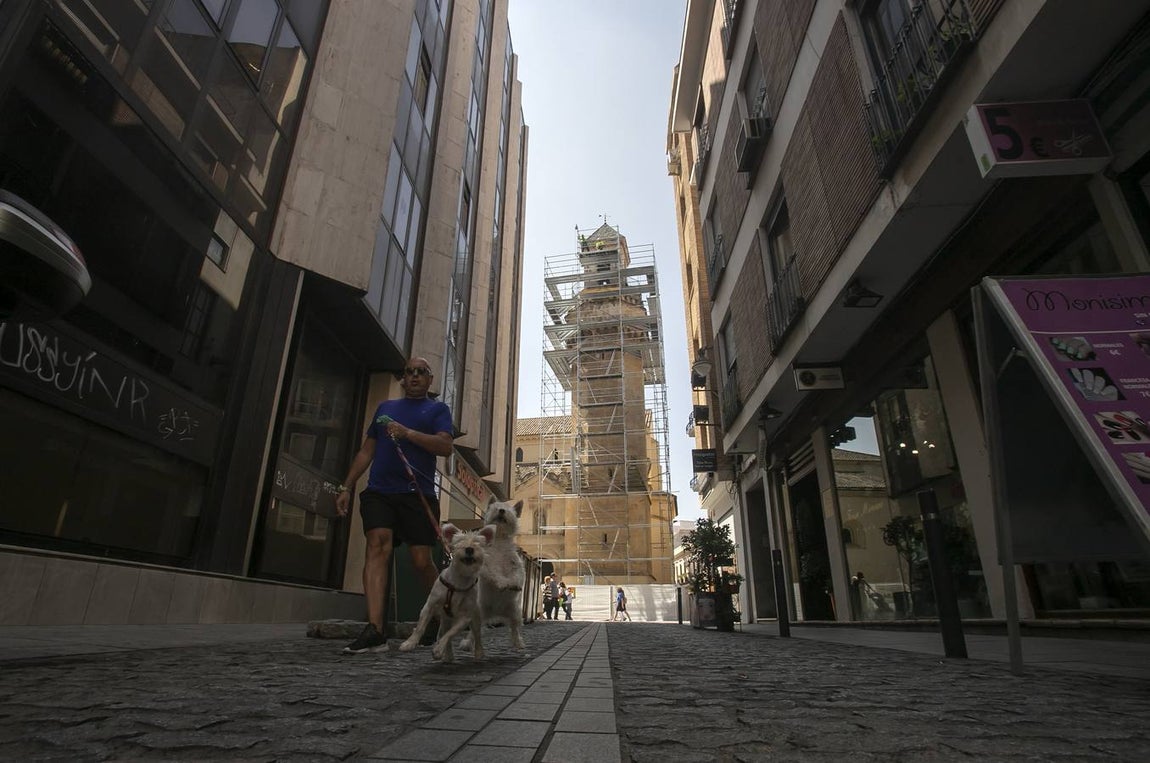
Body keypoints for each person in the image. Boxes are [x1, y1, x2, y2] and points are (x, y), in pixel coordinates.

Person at [335, 357, 454, 653]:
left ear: (429, 380)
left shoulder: (437, 410)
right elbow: (366, 452)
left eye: (420, 372)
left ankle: (438, 619)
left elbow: (445, 446)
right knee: (377, 545)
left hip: (417, 494)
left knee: (421, 561)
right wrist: (346, 486)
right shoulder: (385, 409)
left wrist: (408, 433)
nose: (413, 376)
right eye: (409, 372)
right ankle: (376, 630)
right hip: (380, 492)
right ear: (403, 379)